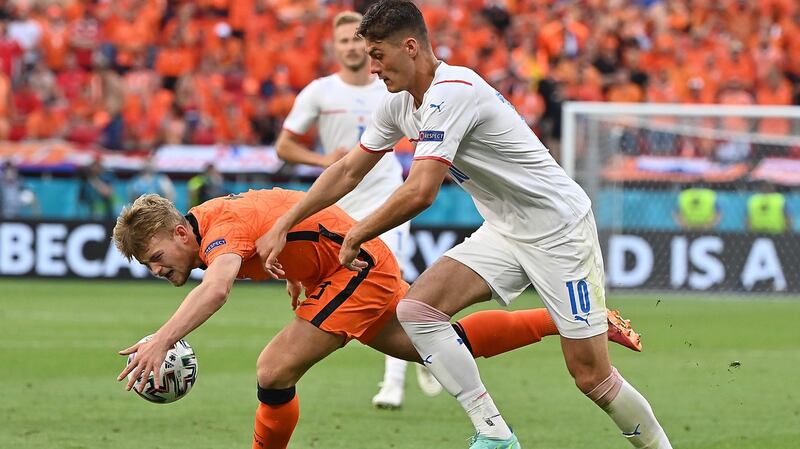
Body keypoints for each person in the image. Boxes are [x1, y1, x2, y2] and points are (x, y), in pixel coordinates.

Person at [254, 2, 672, 448]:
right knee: (417, 310)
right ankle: (494, 434)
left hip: (559, 231)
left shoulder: (453, 90)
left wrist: (358, 232)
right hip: (504, 227)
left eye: (378, 54)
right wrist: (287, 221)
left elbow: (420, 192)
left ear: (410, 47)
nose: (371, 67)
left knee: (591, 377)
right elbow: (347, 171)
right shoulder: (398, 104)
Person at [114, 189, 641, 449]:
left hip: (354, 267)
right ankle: (570, 320)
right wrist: (298, 271)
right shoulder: (206, 229)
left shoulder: (218, 230)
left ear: (180, 234)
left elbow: (218, 288)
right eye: (146, 265)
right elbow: (283, 220)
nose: (156, 269)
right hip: (339, 271)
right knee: (437, 345)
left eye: (155, 256)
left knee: (273, 370)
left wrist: (162, 340)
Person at [276, 10, 439, 408]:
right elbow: (284, 146)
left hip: (386, 202)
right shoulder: (319, 92)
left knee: (389, 280)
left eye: (357, 40)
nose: (352, 47)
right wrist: (322, 161)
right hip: (337, 208)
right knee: (371, 291)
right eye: (345, 41)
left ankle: (393, 385)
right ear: (336, 47)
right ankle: (427, 342)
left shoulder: (393, 85)